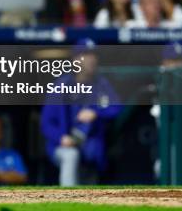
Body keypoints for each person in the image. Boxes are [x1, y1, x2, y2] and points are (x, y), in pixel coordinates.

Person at [41, 39, 122, 186]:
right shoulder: (61, 85)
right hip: (62, 146)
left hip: (90, 146)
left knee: (91, 178)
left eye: (94, 56)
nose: (92, 60)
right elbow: (46, 123)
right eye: (86, 55)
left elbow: (116, 107)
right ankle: (68, 200)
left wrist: (96, 112)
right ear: (75, 59)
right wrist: (61, 138)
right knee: (71, 155)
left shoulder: (101, 84)